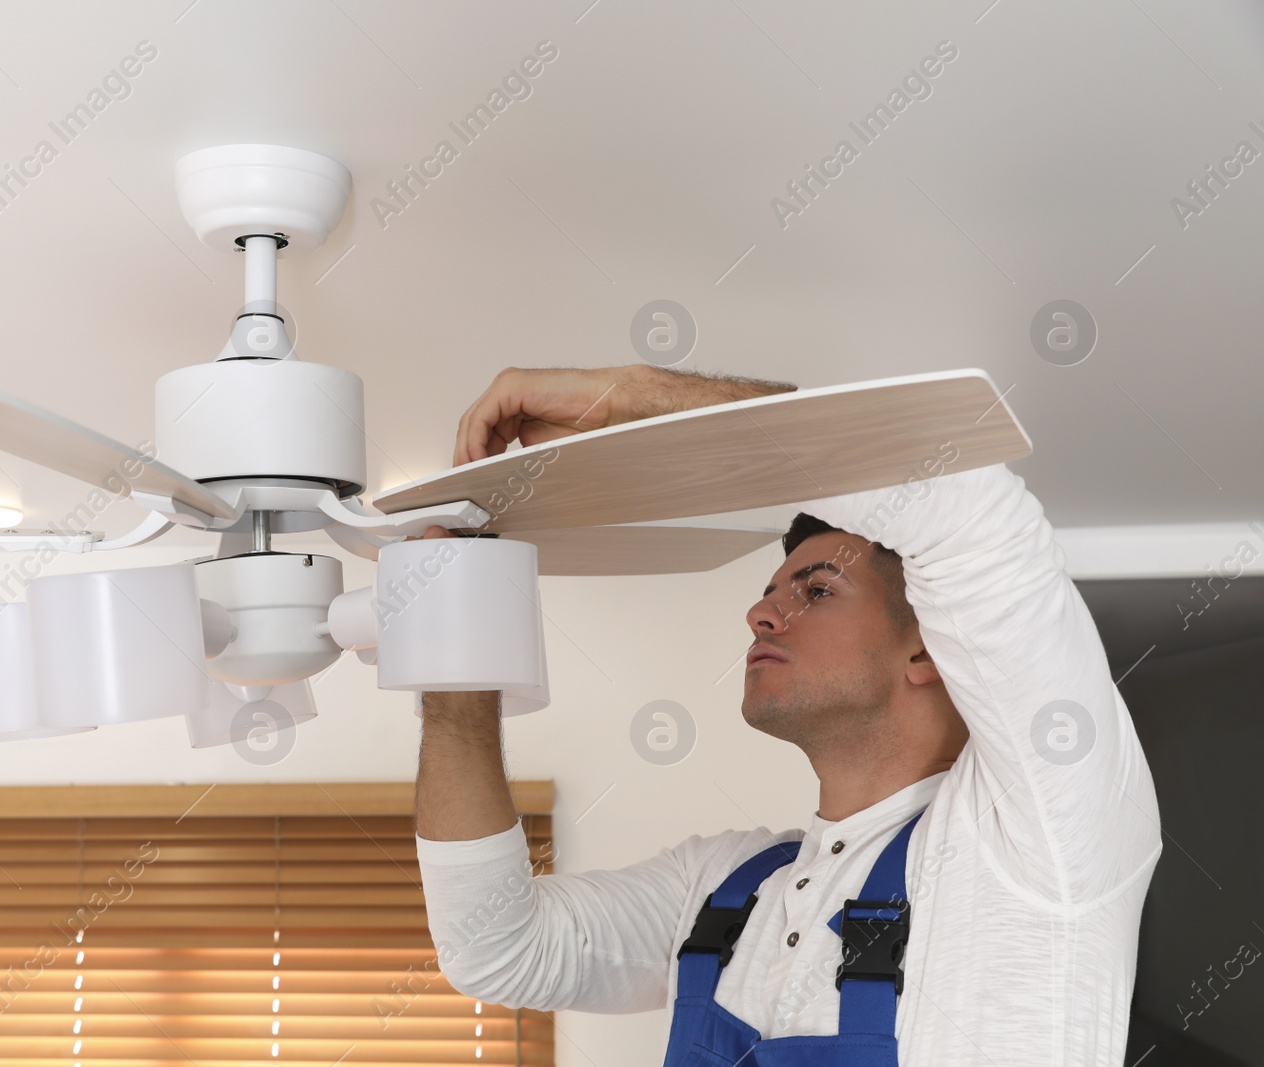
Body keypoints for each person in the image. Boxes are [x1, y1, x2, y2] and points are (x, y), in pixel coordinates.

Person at [413, 364, 1162, 1066]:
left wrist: (635, 399)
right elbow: (495, 944)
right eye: (775, 590)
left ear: (930, 649)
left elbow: (953, 485)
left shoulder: (1043, 841)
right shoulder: (725, 887)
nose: (760, 613)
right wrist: (453, 677)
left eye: (817, 589)